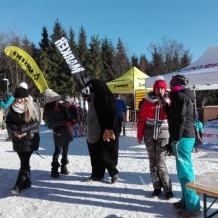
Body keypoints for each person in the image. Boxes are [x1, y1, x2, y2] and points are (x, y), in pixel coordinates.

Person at [164, 75, 201, 217]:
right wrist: (164, 103)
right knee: (182, 170)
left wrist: (176, 138)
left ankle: (192, 207)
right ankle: (186, 200)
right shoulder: (180, 96)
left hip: (183, 137)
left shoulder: (180, 97)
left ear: (176, 84)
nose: (170, 84)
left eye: (171, 82)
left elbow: (180, 119)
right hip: (184, 137)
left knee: (185, 172)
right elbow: (173, 115)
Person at [137, 76, 173, 199]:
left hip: (164, 135)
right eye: (158, 88)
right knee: (152, 163)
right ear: (154, 89)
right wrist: (139, 135)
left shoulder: (169, 101)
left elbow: (173, 118)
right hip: (149, 134)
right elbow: (141, 119)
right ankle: (156, 188)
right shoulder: (147, 102)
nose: (160, 91)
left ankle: (168, 189)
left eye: (162, 88)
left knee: (161, 163)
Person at [82, 79, 119, 183]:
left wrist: (109, 128)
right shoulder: (91, 97)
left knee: (105, 152)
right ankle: (96, 173)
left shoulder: (106, 97)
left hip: (103, 130)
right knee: (94, 153)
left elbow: (111, 114)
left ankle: (113, 172)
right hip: (92, 129)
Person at [5, 87, 41, 195]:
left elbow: (36, 122)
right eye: (17, 98)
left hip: (30, 138)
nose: (19, 100)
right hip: (17, 139)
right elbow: (9, 121)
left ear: (25, 97)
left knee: (24, 162)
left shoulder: (33, 107)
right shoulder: (12, 108)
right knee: (23, 161)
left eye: (21, 98)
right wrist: (15, 131)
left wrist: (22, 129)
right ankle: (27, 181)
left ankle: (18, 185)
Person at [43, 90, 73, 178]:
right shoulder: (48, 111)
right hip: (58, 132)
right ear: (52, 102)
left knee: (65, 150)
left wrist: (70, 118)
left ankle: (64, 167)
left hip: (66, 131)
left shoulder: (61, 107)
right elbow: (52, 123)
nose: (58, 102)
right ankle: (54, 169)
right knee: (57, 150)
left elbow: (68, 116)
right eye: (56, 101)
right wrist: (65, 122)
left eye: (58, 100)